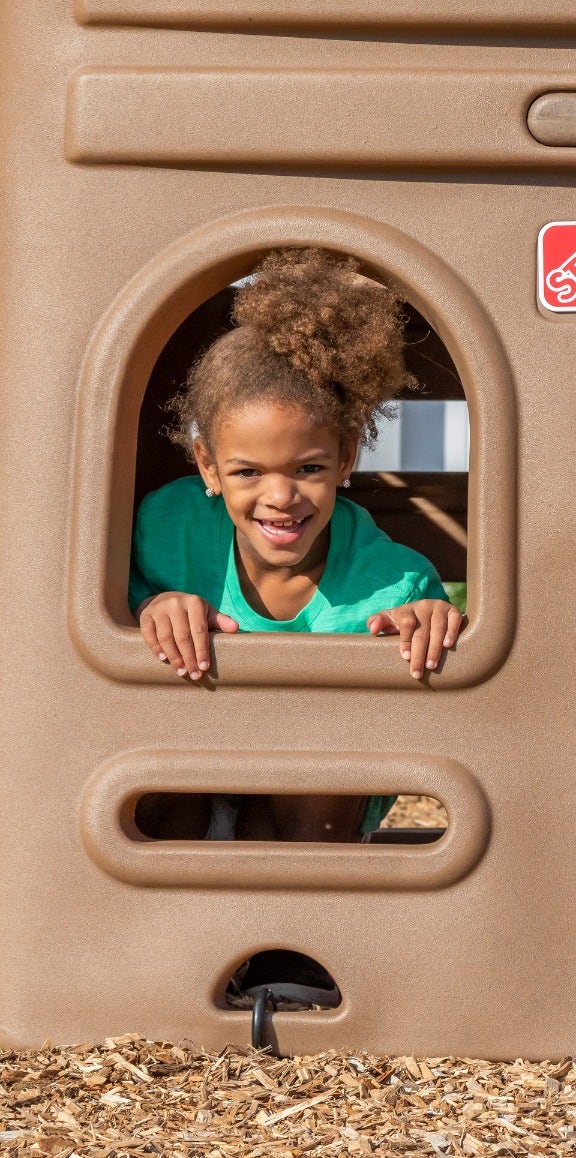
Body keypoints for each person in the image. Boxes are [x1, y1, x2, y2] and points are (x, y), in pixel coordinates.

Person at [129, 246, 464, 840]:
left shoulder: (392, 583)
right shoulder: (165, 528)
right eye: (248, 472)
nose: (280, 497)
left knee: (315, 769)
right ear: (207, 466)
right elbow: (98, 618)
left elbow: (439, 687)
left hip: (310, 818)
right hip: (190, 784)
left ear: (346, 459)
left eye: (308, 469)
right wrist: (149, 608)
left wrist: (432, 622)